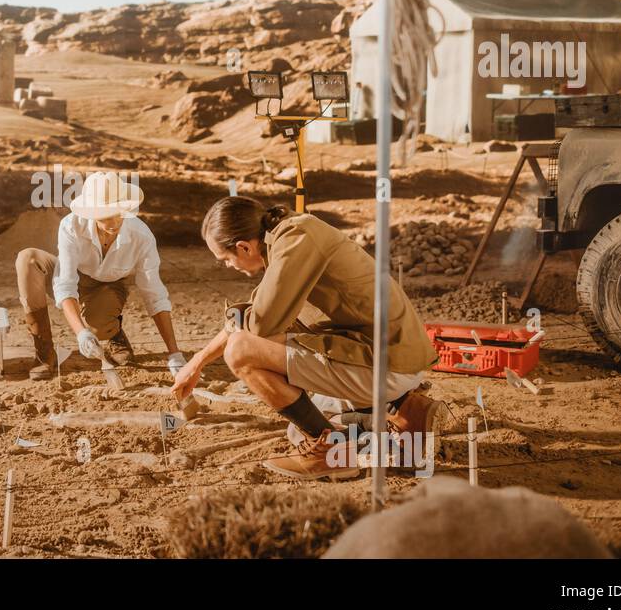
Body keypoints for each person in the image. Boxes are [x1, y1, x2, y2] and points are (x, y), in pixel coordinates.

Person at [172, 196, 443, 481]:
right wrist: (198, 361)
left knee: (241, 352)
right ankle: (405, 413)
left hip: (389, 362)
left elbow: (259, 326)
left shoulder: (296, 238)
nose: (228, 265)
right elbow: (248, 316)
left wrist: (209, 356)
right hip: (389, 354)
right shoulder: (290, 235)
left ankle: (332, 454)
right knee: (300, 422)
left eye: (226, 259)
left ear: (244, 246)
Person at [16, 171, 184, 381]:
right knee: (28, 259)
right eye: (105, 214)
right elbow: (65, 283)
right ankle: (44, 353)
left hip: (108, 286)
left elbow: (154, 293)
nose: (113, 221)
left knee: (98, 329)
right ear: (91, 211)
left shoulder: (141, 236)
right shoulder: (71, 226)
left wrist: (174, 353)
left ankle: (113, 331)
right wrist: (80, 332)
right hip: (76, 277)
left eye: (118, 212)